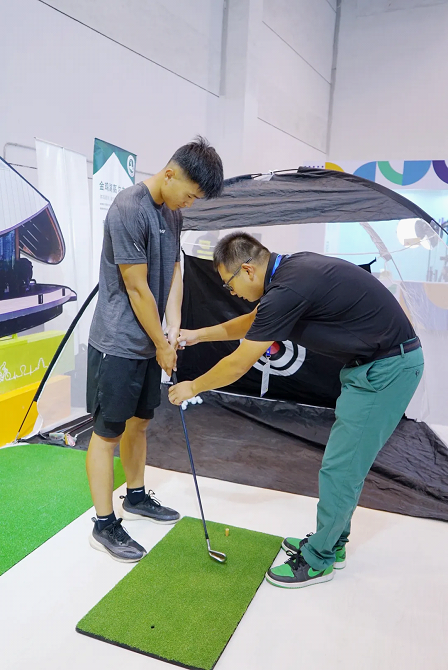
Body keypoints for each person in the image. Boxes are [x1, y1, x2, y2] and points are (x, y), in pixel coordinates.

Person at [169, 232, 424, 589]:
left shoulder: (288, 288)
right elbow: (252, 322)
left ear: (247, 270)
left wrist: (192, 386)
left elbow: (240, 363)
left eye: (229, 284)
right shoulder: (289, 273)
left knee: (341, 467)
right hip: (374, 366)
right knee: (344, 464)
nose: (232, 293)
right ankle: (332, 543)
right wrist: (197, 335)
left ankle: (319, 560)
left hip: (386, 370)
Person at [86, 136, 223, 562]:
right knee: (107, 433)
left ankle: (136, 496)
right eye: (190, 194)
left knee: (140, 423)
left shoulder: (172, 213)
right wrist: (163, 344)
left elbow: (176, 271)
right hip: (118, 342)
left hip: (149, 342)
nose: (189, 203)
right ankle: (103, 524)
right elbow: (136, 287)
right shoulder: (129, 208)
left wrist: (174, 326)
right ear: (170, 173)